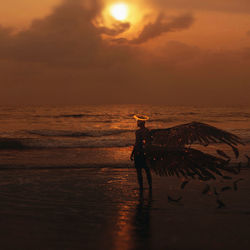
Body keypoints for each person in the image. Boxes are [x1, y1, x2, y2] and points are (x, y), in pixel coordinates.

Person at [130, 115, 152, 192]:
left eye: (138, 121)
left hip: (138, 152)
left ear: (141, 123)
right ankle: (150, 187)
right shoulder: (148, 131)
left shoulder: (138, 132)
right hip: (145, 152)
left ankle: (141, 187)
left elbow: (137, 143)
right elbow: (148, 143)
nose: (137, 123)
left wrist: (132, 153)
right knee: (147, 170)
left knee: (139, 171)